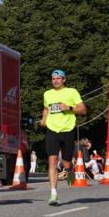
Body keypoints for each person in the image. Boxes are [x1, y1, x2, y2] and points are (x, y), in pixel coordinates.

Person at [39, 69, 86, 206]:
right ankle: (53, 194)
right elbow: (46, 108)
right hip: (52, 130)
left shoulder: (72, 92)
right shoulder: (47, 94)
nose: (55, 81)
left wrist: (69, 108)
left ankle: (70, 170)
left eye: (58, 78)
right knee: (52, 160)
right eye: (53, 79)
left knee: (66, 163)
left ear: (64, 79)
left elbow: (83, 110)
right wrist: (43, 120)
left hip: (68, 130)